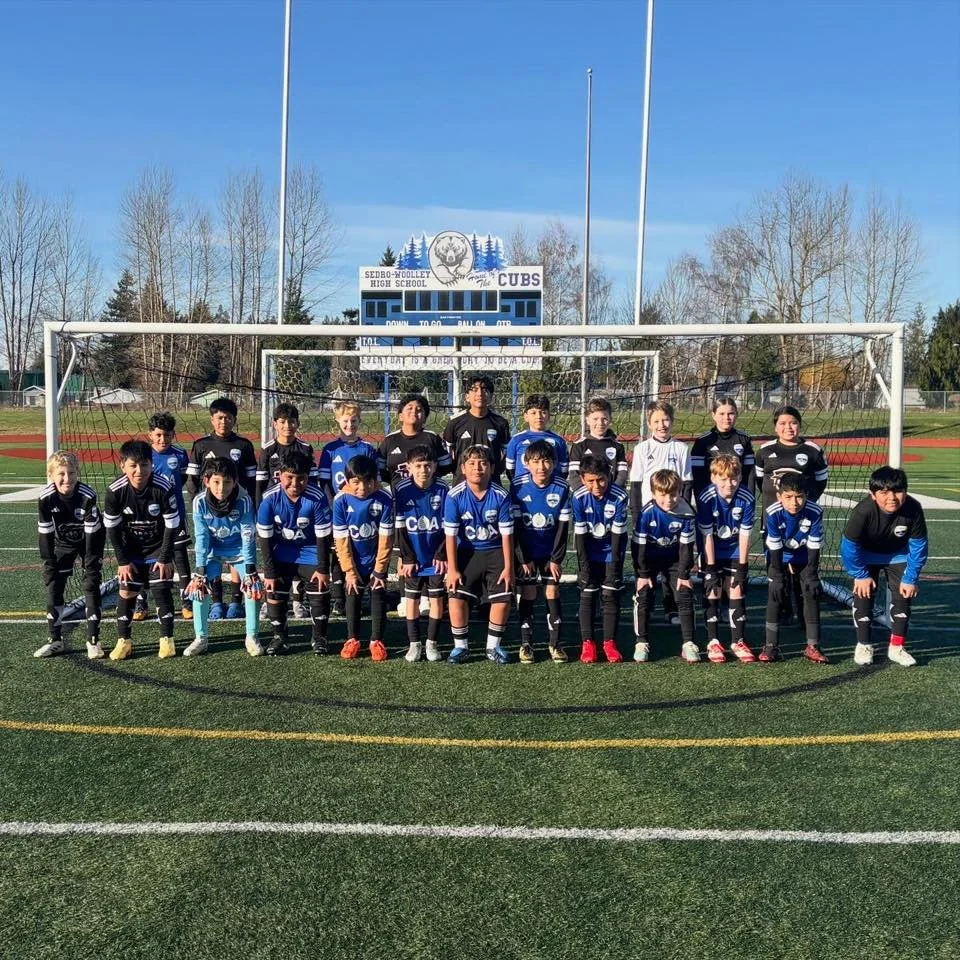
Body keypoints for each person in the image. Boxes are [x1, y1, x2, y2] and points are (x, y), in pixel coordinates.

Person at [840, 466, 928, 667]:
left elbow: (919, 545)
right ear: (873, 494)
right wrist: (859, 574)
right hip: (866, 556)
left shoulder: (913, 509)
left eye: (897, 491)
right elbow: (849, 546)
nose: (892, 498)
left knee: (903, 596)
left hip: (898, 555)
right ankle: (863, 645)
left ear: (905, 491)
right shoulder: (863, 511)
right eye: (883, 492)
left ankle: (897, 648)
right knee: (863, 596)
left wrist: (911, 577)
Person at [103, 439, 181, 661]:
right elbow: (113, 529)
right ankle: (124, 641)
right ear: (123, 466)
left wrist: (165, 557)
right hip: (131, 552)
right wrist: (122, 561)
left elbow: (172, 525)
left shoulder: (162, 487)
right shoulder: (115, 491)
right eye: (133, 465)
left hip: (157, 549)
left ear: (152, 464)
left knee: (161, 589)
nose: (139, 471)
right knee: (126, 592)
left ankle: (167, 640)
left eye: (145, 464)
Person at [754, 404, 829, 624]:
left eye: (793, 423)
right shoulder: (765, 451)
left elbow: (820, 482)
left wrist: (803, 504)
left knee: (802, 567)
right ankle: (783, 609)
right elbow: (761, 482)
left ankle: (802, 612)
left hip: (803, 520)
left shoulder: (813, 451)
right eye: (783, 424)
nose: (789, 428)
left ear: (800, 425)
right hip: (774, 519)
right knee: (776, 566)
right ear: (775, 427)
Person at [186, 397, 258, 620]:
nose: (223, 422)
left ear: (234, 420)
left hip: (238, 508)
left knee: (238, 551)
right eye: (219, 418)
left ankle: (236, 601)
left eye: (228, 418)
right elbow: (191, 480)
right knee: (211, 553)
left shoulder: (244, 445)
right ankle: (217, 601)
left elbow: (252, 480)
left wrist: (251, 505)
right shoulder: (201, 445)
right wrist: (198, 503)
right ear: (212, 419)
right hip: (210, 508)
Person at [256, 450, 333, 656]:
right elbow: (264, 539)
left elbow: (323, 538)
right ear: (279, 475)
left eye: (301, 478)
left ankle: (319, 637)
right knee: (273, 590)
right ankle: (280, 637)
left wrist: (323, 569)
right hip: (282, 551)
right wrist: (270, 573)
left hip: (310, 551)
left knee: (320, 587)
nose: (295, 484)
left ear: (308, 477)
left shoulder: (317, 498)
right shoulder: (269, 499)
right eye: (289, 478)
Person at [184, 457, 263, 657]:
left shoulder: (244, 500)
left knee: (252, 587)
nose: (221, 488)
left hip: (239, 551)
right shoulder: (199, 502)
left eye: (227, 482)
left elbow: (247, 535)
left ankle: (251, 636)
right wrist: (200, 570)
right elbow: (201, 537)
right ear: (206, 481)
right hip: (213, 551)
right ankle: (200, 638)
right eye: (216, 482)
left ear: (235, 482)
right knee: (199, 589)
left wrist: (251, 569)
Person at [443, 445, 514, 664]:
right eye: (472, 464)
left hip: (494, 551)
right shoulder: (454, 496)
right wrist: (453, 569)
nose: (478, 468)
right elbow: (451, 536)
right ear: (463, 468)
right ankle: (460, 647)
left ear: (492, 468)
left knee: (503, 596)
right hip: (467, 552)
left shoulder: (501, 495)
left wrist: (509, 568)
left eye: (483, 463)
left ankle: (493, 647)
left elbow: (506, 536)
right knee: (456, 595)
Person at [34, 451, 105, 659]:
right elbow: (45, 534)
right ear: (51, 475)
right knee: (54, 584)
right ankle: (55, 640)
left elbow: (93, 536)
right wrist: (48, 563)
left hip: (90, 540)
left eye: (71, 473)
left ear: (78, 472)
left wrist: (91, 562)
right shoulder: (45, 499)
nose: (67, 478)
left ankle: (93, 640)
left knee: (91, 583)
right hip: (63, 542)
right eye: (61, 474)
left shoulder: (87, 495)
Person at [628, 399, 692, 625]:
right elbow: (636, 484)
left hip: (673, 512)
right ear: (649, 423)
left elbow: (686, 483)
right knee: (648, 559)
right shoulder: (642, 449)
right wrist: (637, 516)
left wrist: (685, 512)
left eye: (665, 420)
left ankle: (671, 606)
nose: (662, 425)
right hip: (649, 516)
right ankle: (647, 602)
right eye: (656, 421)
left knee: (671, 561)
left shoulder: (681, 449)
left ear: (672, 421)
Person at [511, 440, 571, 663]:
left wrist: (556, 559)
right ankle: (526, 643)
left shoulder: (562, 487)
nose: (541, 467)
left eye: (546, 461)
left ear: (554, 463)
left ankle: (556, 644)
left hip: (549, 553)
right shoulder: (517, 486)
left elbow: (563, 529)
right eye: (535, 462)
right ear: (526, 464)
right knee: (528, 593)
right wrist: (522, 558)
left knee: (552, 592)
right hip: (526, 553)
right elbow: (516, 527)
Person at [318, 399, 378, 618]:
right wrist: (334, 504)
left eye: (354, 420)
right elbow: (324, 482)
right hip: (339, 509)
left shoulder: (367, 449)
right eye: (346, 421)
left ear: (360, 421)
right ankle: (338, 598)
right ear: (338, 420)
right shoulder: (330, 449)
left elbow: (374, 481)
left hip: (364, 508)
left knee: (363, 550)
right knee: (339, 552)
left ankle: (365, 594)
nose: (350, 425)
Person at [332, 454, 394, 661]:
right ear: (348, 480)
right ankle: (352, 639)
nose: (362, 487)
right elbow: (341, 539)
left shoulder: (384, 499)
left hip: (375, 559)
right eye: (356, 482)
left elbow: (386, 538)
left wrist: (380, 569)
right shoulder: (340, 500)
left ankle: (377, 640)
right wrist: (349, 570)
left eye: (368, 482)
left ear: (375, 480)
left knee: (378, 594)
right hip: (353, 560)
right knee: (353, 595)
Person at [632, 469, 697, 663]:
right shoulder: (646, 514)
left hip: (674, 559)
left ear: (679, 492)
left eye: (673, 493)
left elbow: (686, 547)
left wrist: (684, 573)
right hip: (649, 559)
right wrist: (642, 573)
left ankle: (689, 643)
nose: (668, 499)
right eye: (662, 494)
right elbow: (638, 547)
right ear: (653, 493)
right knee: (643, 593)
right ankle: (641, 642)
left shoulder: (686, 512)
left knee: (684, 593)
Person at [696, 454, 756, 664]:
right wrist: (710, 567)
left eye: (733, 478)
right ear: (713, 478)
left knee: (736, 591)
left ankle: (737, 640)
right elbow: (707, 535)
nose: (728, 483)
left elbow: (745, 534)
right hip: (712, 550)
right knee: (712, 591)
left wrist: (742, 565)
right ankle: (713, 641)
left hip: (734, 551)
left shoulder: (747, 497)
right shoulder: (706, 497)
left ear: (739, 477)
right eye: (723, 478)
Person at [762, 474, 827, 663]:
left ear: (806, 495)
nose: (794, 502)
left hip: (803, 555)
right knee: (776, 593)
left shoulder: (815, 511)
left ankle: (813, 646)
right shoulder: (772, 512)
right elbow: (774, 547)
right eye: (788, 497)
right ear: (779, 496)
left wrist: (813, 574)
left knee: (810, 591)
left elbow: (814, 546)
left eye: (799, 496)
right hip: (779, 555)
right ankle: (771, 646)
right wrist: (776, 576)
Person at [571, 452, 629, 663]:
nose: (596, 485)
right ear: (582, 478)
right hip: (589, 551)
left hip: (611, 551)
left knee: (610, 595)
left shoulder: (620, 496)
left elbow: (617, 535)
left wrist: (614, 563)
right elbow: (580, 536)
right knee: (587, 594)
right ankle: (588, 644)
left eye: (601, 479)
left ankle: (609, 643)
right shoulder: (578, 498)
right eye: (590, 481)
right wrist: (584, 566)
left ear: (610, 475)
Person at [393, 445, 448, 662]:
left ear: (434, 466)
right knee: (411, 601)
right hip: (413, 558)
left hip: (436, 557)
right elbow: (400, 528)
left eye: (427, 465)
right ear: (409, 467)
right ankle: (414, 644)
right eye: (418, 465)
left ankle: (432, 644)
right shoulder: (401, 489)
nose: (423, 469)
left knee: (436, 601)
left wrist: (442, 555)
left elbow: (449, 528)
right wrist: (406, 557)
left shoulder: (443, 489)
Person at [137, 411, 192, 624]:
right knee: (146, 557)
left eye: (167, 435)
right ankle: (142, 601)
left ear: (173, 435)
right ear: (150, 434)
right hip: (150, 518)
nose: (163, 439)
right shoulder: (144, 457)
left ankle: (186, 601)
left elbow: (185, 478)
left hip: (175, 514)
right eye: (158, 435)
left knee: (179, 555)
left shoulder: (179, 455)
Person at [443, 375, 511, 485]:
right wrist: (459, 471)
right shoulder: (455, 422)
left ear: (491, 396)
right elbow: (448, 453)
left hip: (491, 483)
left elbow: (506, 453)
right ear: (467, 396)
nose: (480, 393)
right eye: (474, 390)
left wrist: (495, 470)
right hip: (462, 483)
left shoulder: (500, 422)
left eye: (484, 389)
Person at [377, 393, 451, 487]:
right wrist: (395, 481)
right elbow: (380, 469)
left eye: (419, 409)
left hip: (427, 494)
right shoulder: (390, 440)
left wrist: (428, 479)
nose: (414, 411)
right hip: (399, 495)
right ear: (400, 416)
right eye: (410, 408)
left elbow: (446, 466)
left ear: (425, 417)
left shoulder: (432, 438)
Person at [690, 396, 756, 501]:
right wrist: (702, 501)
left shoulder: (744, 439)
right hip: (711, 499)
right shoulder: (702, 441)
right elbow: (697, 476)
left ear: (736, 415)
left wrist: (749, 499)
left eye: (731, 413)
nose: (727, 418)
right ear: (713, 415)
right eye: (722, 414)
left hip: (738, 498)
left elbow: (750, 474)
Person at [256, 402, 317, 504]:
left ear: (298, 423)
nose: (287, 425)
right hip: (275, 501)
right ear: (275, 424)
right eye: (282, 422)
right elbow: (261, 483)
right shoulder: (268, 450)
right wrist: (259, 507)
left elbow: (312, 480)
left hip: (300, 501)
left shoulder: (305, 448)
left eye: (291, 421)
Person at [567, 396, 628, 490]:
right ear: (587, 420)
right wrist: (586, 495)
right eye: (595, 419)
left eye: (604, 419)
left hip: (611, 496)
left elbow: (622, 474)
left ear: (610, 419)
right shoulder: (579, 445)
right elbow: (574, 475)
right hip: (586, 497)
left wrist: (613, 492)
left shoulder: (618, 446)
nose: (600, 423)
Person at [504, 394, 568, 483]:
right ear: (526, 416)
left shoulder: (558, 441)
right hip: (523, 490)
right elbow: (510, 470)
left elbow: (564, 471)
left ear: (549, 416)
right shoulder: (516, 440)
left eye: (543, 412)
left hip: (551, 490)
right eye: (533, 413)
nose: (539, 416)